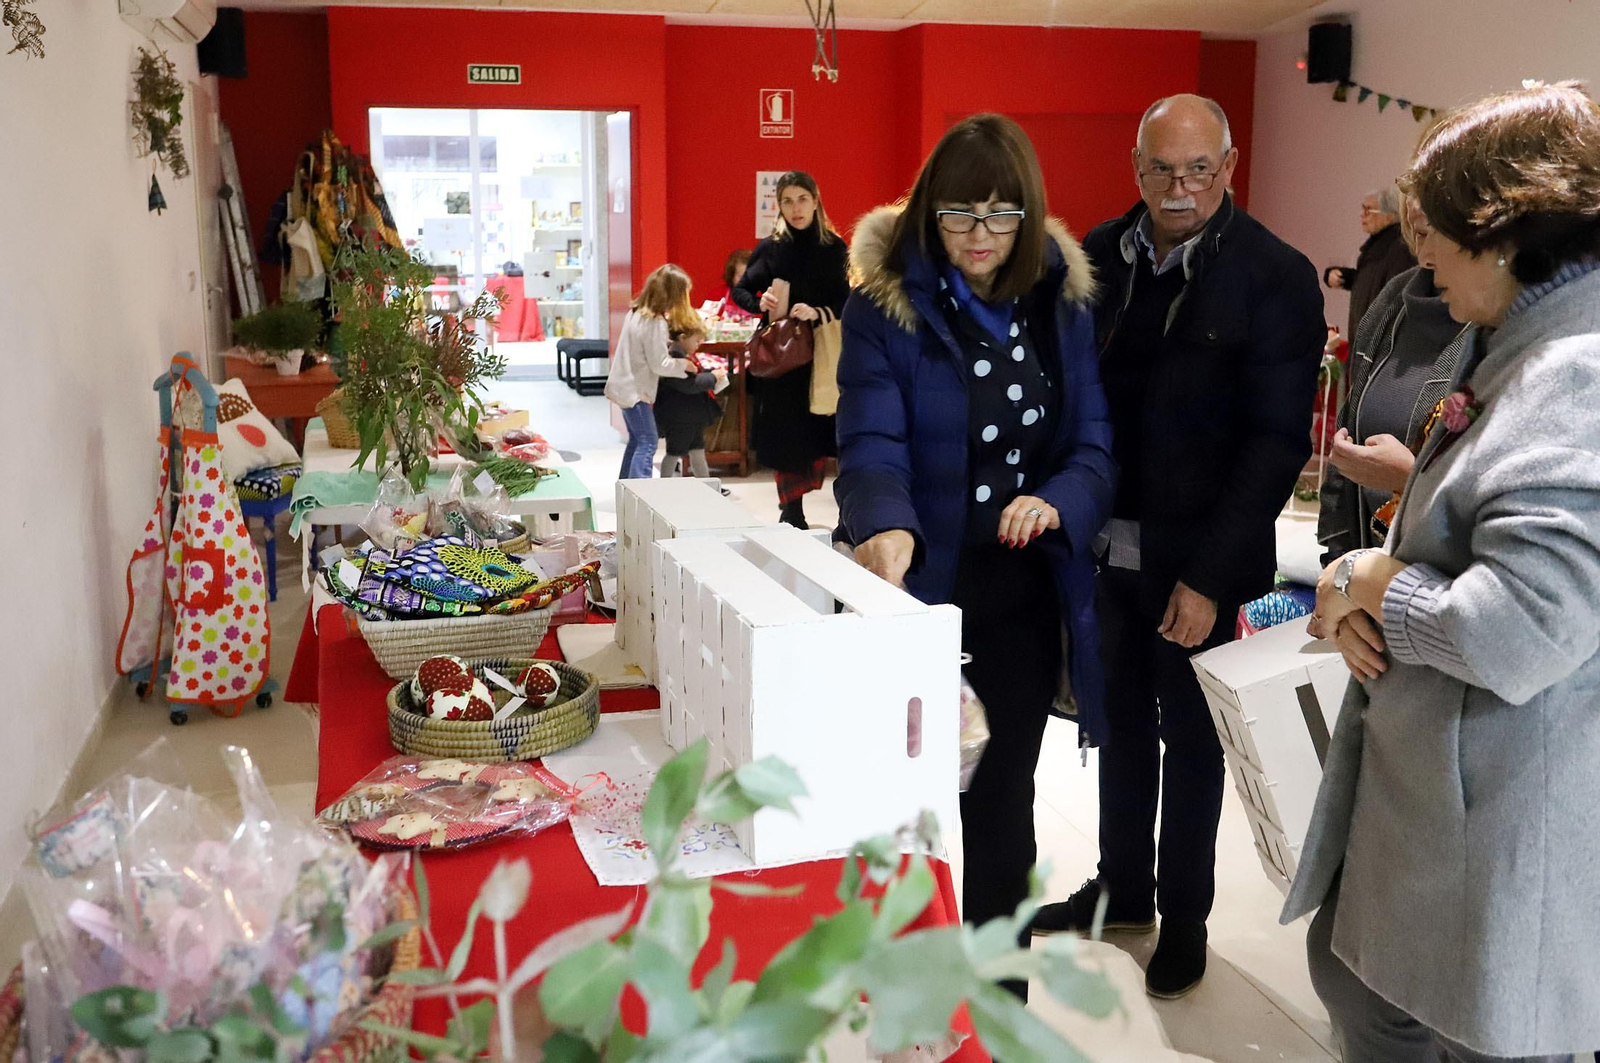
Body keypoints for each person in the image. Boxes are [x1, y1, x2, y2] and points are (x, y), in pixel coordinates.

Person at [1289, 80, 1600, 1063]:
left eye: (1439, 236)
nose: (1420, 260)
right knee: (1361, 985)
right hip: (1440, 808)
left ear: (1504, 237)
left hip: (1501, 825)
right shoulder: (1510, 337)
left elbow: (1521, 629)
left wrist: (1375, 585)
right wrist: (1348, 593)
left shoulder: (1573, 371)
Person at [1029, 94, 1324, 999]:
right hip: (1103, 548)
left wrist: (1204, 577)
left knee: (1192, 737)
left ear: (1229, 166)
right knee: (1115, 724)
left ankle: (1186, 916)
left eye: (1199, 169)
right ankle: (1123, 886)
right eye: (1161, 169)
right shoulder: (1097, 259)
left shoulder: (1275, 276)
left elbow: (1276, 443)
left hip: (1202, 556)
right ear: (1135, 165)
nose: (1179, 188)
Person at [835, 114, 1116, 996]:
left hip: (1019, 600)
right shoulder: (886, 303)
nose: (981, 240)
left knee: (1001, 805)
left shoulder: (1057, 301)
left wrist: (1056, 500)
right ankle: (908, 993)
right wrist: (888, 521)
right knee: (911, 802)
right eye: (961, 216)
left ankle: (998, 1005)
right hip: (919, 591)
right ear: (929, 212)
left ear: (1029, 218)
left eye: (1002, 218)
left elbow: (1094, 447)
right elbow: (871, 438)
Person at [1317, 194, 1473, 568]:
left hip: (1440, 595)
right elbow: (1348, 435)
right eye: (1419, 234)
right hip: (1370, 576)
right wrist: (1340, 567)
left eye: (1440, 233)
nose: (1426, 252)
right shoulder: (1394, 299)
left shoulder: (1508, 328)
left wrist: (1409, 479)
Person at [732, 171, 851, 528]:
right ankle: (791, 510)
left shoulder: (834, 248)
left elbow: (846, 299)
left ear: (816, 200)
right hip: (781, 360)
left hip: (820, 355)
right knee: (786, 435)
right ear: (779, 205)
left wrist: (816, 312)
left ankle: (842, 510)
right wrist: (760, 302)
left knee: (823, 430)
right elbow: (740, 290)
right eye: (787, 201)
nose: (795, 208)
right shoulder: (770, 248)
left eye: (802, 199)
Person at [603, 264, 696, 480]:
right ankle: (642, 492)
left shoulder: (635, 313)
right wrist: (684, 365)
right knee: (648, 441)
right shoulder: (655, 322)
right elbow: (659, 364)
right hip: (636, 391)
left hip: (623, 385)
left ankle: (627, 487)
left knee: (637, 439)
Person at [1325, 186, 1417, 341]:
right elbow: (1372, 281)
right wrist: (1346, 277)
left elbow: (1393, 295)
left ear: (1389, 215)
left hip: (1378, 345)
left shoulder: (1399, 249)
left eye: (1368, 210)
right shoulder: (1379, 247)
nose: (1362, 214)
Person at [654, 326, 728, 479]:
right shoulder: (675, 359)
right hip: (680, 417)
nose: (699, 344)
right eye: (696, 340)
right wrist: (712, 377)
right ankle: (663, 485)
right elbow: (689, 385)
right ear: (682, 338)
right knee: (674, 453)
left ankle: (707, 485)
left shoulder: (681, 356)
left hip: (690, 416)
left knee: (697, 452)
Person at [707, 249, 758, 320]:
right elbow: (706, 319)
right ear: (731, 275)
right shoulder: (717, 294)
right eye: (741, 276)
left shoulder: (760, 296)